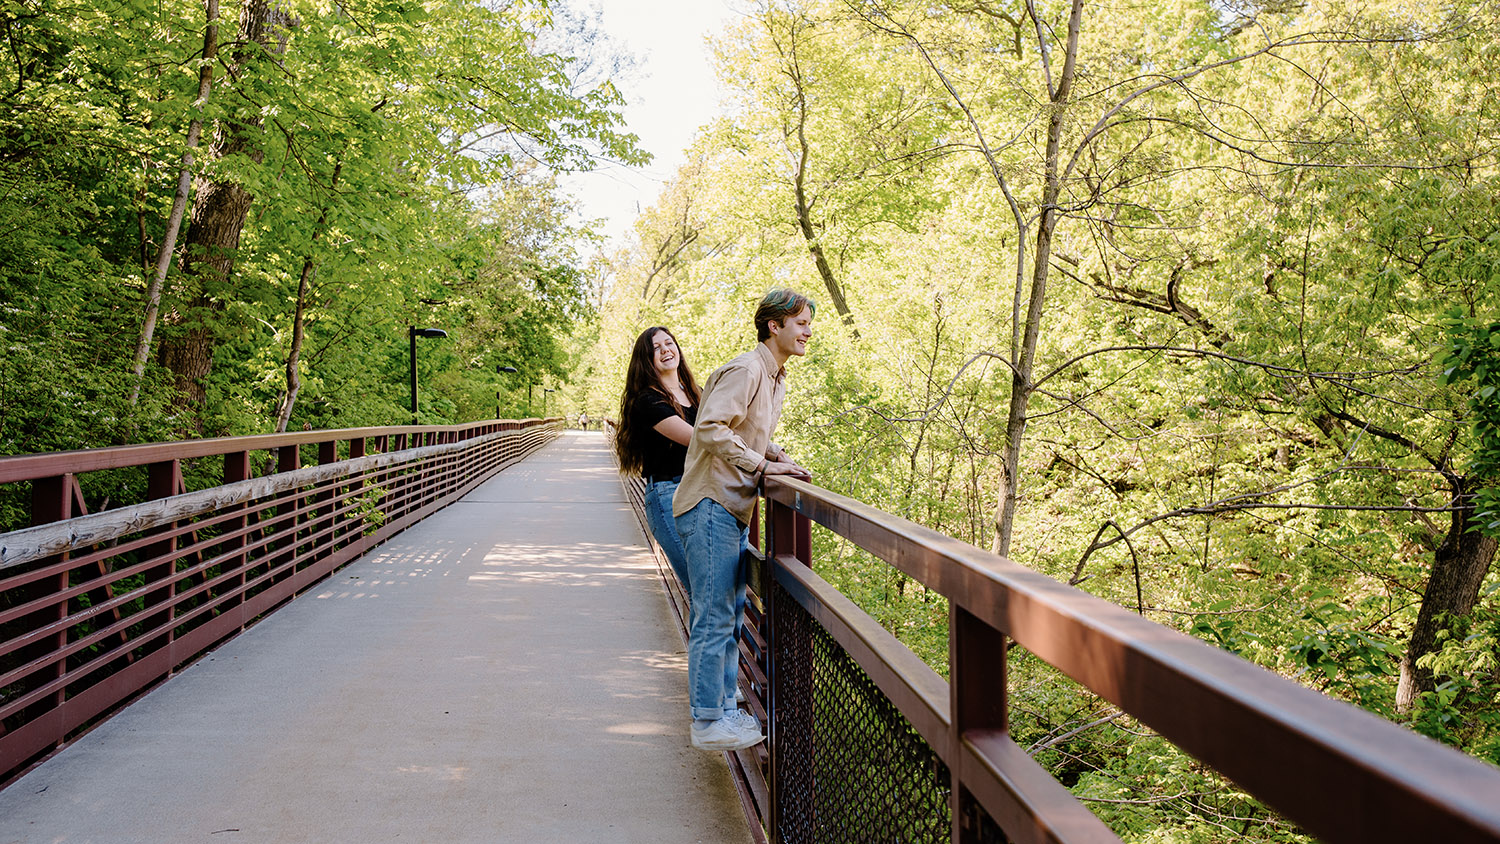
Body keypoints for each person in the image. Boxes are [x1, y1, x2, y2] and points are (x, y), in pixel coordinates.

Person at [674, 288, 814, 751]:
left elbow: (748, 430)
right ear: (773, 326)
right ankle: (707, 720)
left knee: (730, 613)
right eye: (800, 323)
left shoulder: (775, 377)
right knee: (714, 615)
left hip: (732, 507)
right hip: (712, 501)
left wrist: (776, 455)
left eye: (809, 323)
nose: (808, 331)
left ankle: (722, 709)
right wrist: (761, 466)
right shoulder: (748, 369)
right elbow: (712, 428)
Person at [615, 327, 702, 596]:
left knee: (718, 591)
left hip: (703, 493)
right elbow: (700, 439)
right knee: (702, 591)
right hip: (669, 497)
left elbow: (730, 428)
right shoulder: (648, 400)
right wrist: (762, 462)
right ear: (647, 359)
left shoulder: (697, 393)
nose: (665, 350)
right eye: (656, 348)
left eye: (669, 343)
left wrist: (772, 452)